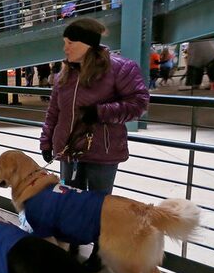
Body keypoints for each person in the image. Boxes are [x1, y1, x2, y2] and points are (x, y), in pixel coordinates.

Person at [40, 18, 149, 195]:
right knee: (71, 202)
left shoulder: (120, 68)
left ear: (86, 44)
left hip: (101, 152)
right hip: (69, 151)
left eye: (70, 43)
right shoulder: (64, 75)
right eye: (64, 43)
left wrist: (100, 112)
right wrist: (46, 141)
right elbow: (53, 112)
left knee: (99, 206)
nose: (65, 48)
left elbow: (138, 103)